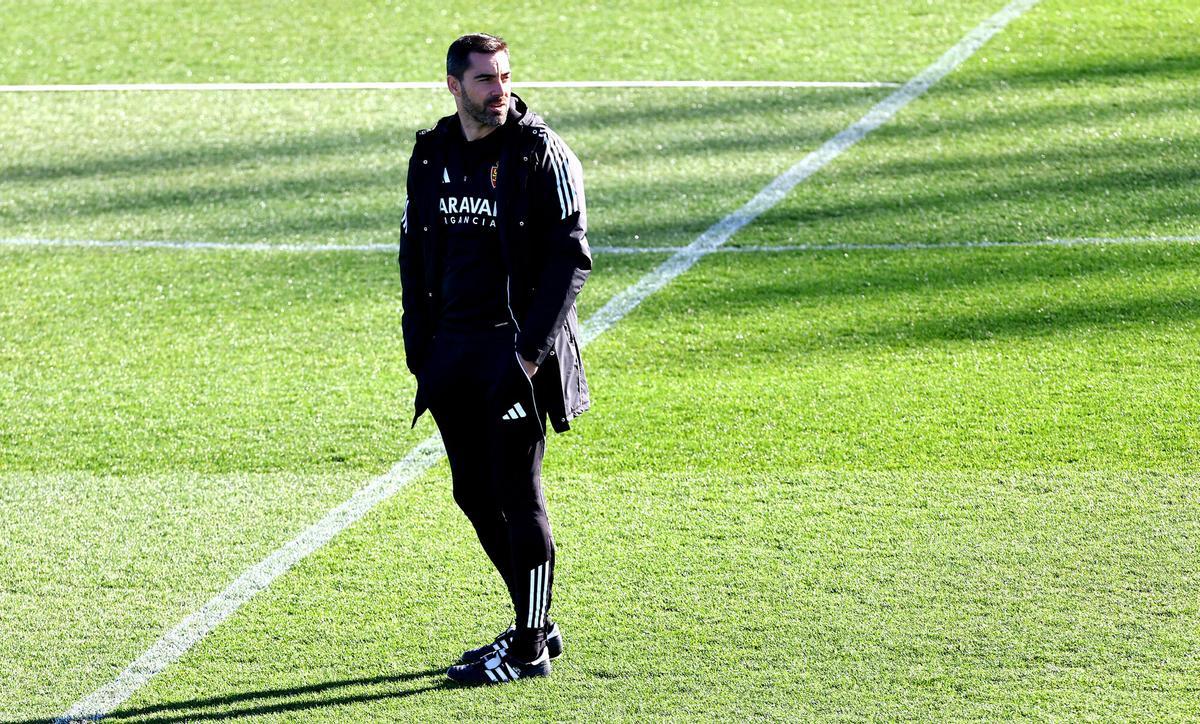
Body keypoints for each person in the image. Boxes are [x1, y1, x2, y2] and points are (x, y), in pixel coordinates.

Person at [398, 32, 591, 685]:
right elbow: (411, 250)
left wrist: (531, 358)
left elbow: (572, 259)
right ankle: (532, 621)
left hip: (512, 356)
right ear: (454, 86)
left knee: (518, 493)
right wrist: (417, 345)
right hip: (449, 355)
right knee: (473, 493)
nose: (499, 89)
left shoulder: (541, 155)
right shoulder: (431, 157)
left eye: (504, 76)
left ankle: (530, 648)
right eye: (484, 79)